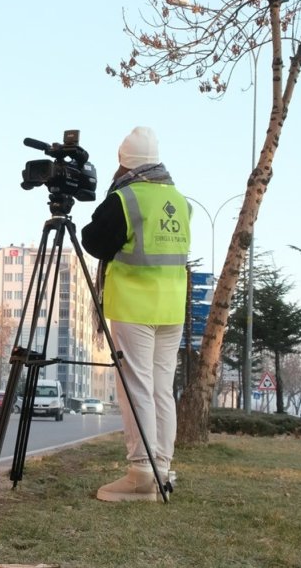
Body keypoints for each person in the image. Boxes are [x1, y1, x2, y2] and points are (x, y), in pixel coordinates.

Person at [80, 126, 191, 502]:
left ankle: (141, 471)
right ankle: (162, 467)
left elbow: (94, 240)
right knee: (162, 389)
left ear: (124, 162)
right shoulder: (181, 200)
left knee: (136, 388)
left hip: (134, 306)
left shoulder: (126, 199)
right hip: (172, 307)